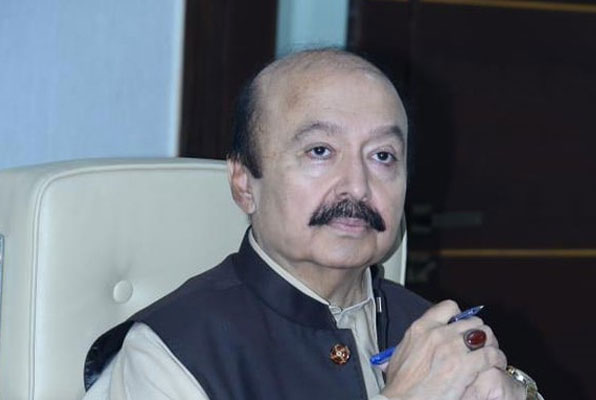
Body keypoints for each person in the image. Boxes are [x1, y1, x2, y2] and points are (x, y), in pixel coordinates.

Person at [83, 49, 541, 400]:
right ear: (244, 184)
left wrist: (516, 389)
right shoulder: (170, 352)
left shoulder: (429, 330)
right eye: (320, 151)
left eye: (383, 156)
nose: (357, 186)